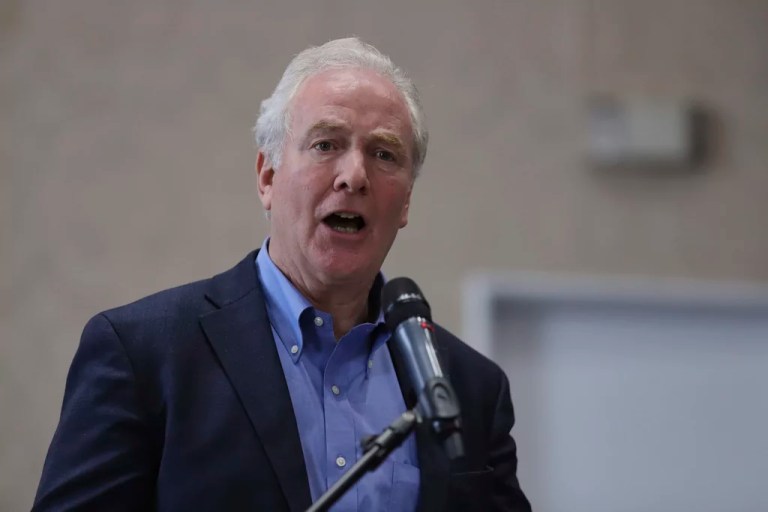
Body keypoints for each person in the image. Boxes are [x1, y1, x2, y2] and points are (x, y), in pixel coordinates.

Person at [34, 37, 531, 511]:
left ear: (406, 202)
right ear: (267, 177)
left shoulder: (470, 388)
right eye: (325, 144)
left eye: (384, 154)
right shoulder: (143, 355)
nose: (355, 175)